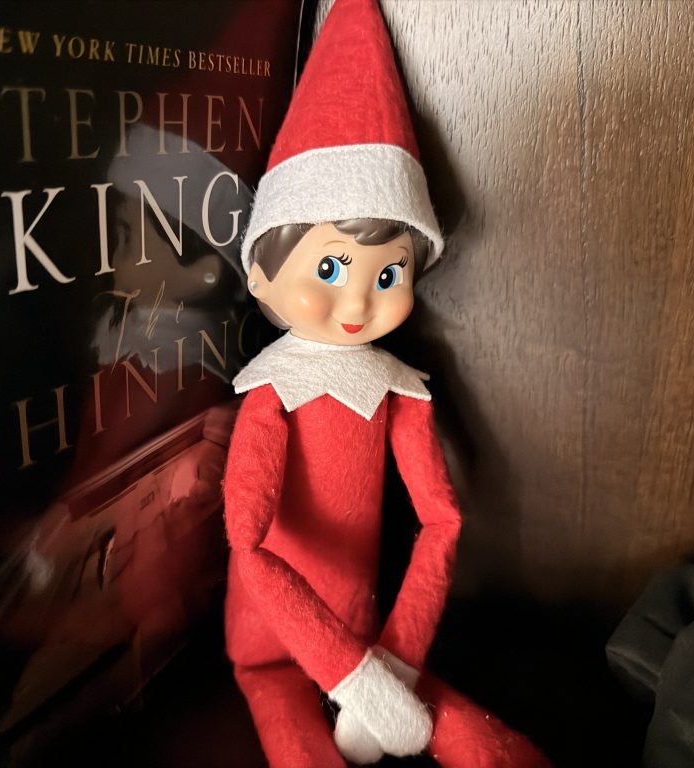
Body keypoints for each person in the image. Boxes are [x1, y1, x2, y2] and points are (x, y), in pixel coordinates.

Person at [222, 1, 550, 765]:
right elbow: (248, 540)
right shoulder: (272, 393)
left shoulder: (399, 391)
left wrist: (393, 666)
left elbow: (442, 522)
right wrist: (354, 678)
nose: (357, 303)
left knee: (466, 734)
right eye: (328, 267)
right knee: (285, 710)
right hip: (269, 640)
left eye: (387, 274)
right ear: (262, 273)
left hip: (369, 627)